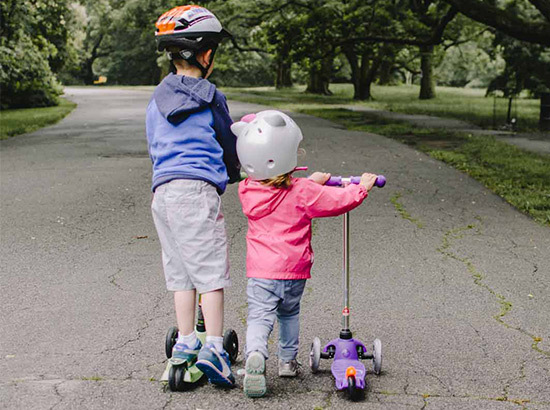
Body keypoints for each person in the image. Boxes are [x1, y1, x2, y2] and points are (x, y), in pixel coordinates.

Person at [232, 110, 378, 397]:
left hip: (261, 271)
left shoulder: (248, 190)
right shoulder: (302, 192)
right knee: (289, 314)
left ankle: (257, 355)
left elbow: (279, 187)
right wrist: (361, 188)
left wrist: (312, 180)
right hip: (293, 271)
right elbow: (337, 201)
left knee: (260, 317)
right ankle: (287, 362)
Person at [147, 5, 239, 387]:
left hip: (163, 194)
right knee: (211, 273)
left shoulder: (156, 99)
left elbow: (154, 145)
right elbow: (229, 141)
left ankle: (185, 343)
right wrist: (235, 173)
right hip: (196, 193)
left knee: (181, 274)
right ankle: (215, 348)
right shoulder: (210, 96)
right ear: (205, 55)